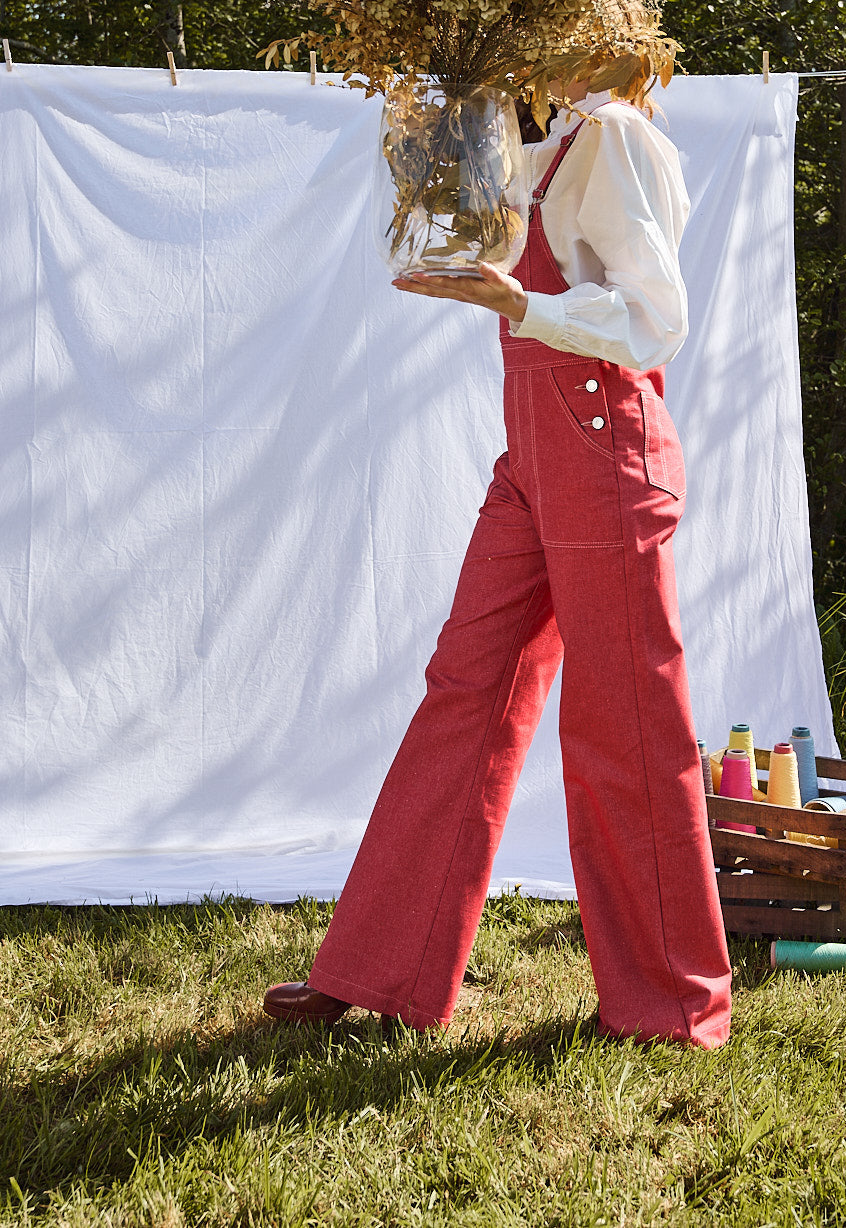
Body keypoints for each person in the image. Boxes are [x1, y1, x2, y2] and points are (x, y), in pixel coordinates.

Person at [263, 74, 732, 1048]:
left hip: (604, 439)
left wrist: (521, 303)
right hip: (534, 450)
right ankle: (383, 972)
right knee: (465, 691)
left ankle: (674, 1007)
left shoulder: (612, 136)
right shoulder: (534, 141)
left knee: (624, 721)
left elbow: (656, 318)